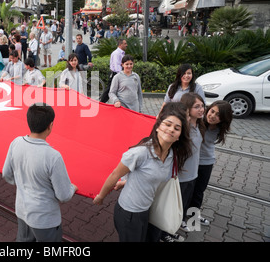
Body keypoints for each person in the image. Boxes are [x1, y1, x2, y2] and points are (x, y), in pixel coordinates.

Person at [93, 102, 192, 242]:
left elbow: (152, 177)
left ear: (179, 136)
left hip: (146, 210)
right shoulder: (140, 153)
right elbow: (115, 174)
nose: (171, 129)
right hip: (129, 213)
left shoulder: (171, 156)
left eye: (177, 128)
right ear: (158, 127)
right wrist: (101, 196)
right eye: (167, 124)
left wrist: (126, 182)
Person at [2, 103, 77, 242]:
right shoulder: (53, 156)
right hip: (44, 219)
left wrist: (21, 182)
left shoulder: (16, 143)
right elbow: (63, 195)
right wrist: (72, 187)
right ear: (50, 126)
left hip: (22, 210)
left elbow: (6, 173)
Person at [160, 92, 205, 241]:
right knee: (172, 207)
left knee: (183, 204)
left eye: (202, 106)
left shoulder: (198, 125)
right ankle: (165, 234)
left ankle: (173, 228)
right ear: (188, 110)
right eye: (196, 107)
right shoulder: (183, 131)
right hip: (181, 176)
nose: (201, 109)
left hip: (192, 175)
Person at [190, 100, 233, 226]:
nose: (213, 116)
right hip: (192, 162)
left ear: (223, 118)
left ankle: (193, 216)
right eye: (212, 111)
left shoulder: (220, 128)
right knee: (187, 191)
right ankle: (180, 218)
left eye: (218, 115)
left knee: (199, 191)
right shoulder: (197, 122)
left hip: (207, 163)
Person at [100, 39, 128, 103]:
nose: (126, 45)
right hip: (115, 74)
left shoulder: (121, 53)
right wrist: (121, 75)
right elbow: (117, 66)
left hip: (119, 73)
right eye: (125, 44)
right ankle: (101, 103)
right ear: (120, 45)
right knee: (109, 89)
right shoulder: (116, 53)